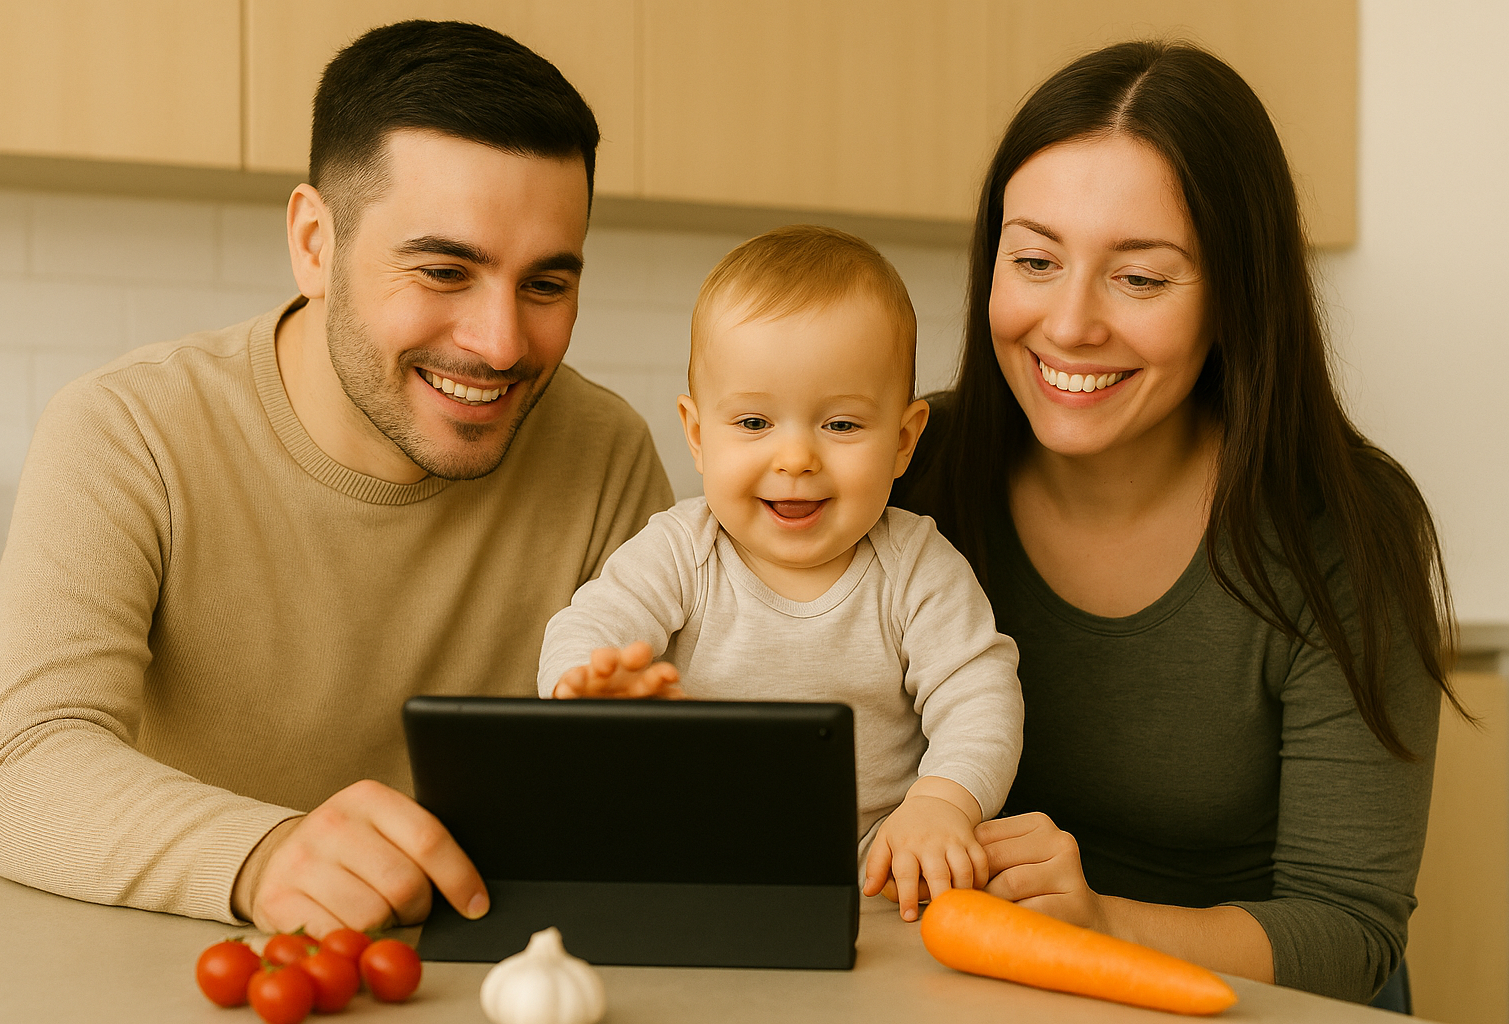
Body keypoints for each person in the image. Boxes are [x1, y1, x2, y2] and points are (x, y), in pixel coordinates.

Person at [0, 21, 672, 936]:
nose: (501, 344)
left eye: (546, 285)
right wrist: (262, 856)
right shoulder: (128, 431)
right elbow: (21, 767)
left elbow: (670, 791)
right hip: (185, 969)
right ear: (314, 242)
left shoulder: (605, 450)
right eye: (443, 270)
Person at [892, 41, 1459, 1004]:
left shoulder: (1343, 526)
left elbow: (1350, 930)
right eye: (1033, 260)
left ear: (1237, 299)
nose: (1069, 324)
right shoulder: (911, 467)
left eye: (1140, 279)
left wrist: (1103, 922)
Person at [537, 225, 1024, 921]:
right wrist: (586, 686)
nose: (795, 458)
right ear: (699, 435)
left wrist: (942, 802)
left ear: (905, 440)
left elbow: (979, 695)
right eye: (756, 422)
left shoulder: (918, 567)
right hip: (691, 857)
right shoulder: (679, 550)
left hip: (873, 860)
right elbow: (589, 622)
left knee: (943, 906)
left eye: (843, 426)